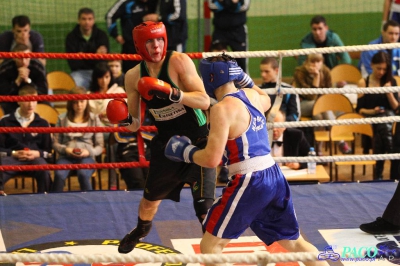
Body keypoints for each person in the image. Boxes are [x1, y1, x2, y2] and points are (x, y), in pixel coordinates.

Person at [163, 54, 328, 266]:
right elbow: (267, 100)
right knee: (294, 243)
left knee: (210, 246)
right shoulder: (252, 95)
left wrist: (185, 151)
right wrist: (245, 78)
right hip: (274, 175)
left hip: (251, 180)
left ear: (209, 79)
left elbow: (211, 159)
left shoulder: (221, 110)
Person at [106, 21, 216, 254]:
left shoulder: (179, 61)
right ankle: (141, 230)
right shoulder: (133, 76)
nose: (156, 46)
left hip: (199, 141)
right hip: (167, 146)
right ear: (139, 45)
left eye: (159, 39)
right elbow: (135, 125)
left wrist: (172, 92)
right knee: (149, 202)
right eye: (150, 41)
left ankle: (212, 254)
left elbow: (204, 101)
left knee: (205, 207)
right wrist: (123, 119)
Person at [293, 53, 351, 155]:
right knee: (323, 107)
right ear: (307, 62)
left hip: (320, 105)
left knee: (319, 116)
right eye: (312, 61)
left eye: (318, 62)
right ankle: (340, 141)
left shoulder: (326, 71)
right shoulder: (300, 72)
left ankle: (317, 150)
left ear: (322, 62)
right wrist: (316, 77)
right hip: (304, 105)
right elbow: (310, 96)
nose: (315, 65)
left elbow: (329, 94)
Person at [0, 84, 52, 195]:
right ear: (18, 101)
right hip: (11, 159)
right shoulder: (4, 121)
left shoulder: (43, 123)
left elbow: (49, 152)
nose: (31, 104)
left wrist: (37, 153)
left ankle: (45, 201)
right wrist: (14, 153)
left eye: (34, 100)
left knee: (44, 170)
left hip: (35, 160)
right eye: (27, 100)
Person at [52, 87, 104, 192]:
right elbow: (55, 143)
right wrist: (65, 150)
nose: (79, 105)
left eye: (82, 101)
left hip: (87, 157)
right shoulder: (62, 118)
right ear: (70, 103)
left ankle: (91, 205)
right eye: (75, 102)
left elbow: (100, 146)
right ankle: (54, 204)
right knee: (59, 174)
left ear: (87, 101)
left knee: (83, 174)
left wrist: (88, 152)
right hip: (66, 156)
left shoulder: (94, 118)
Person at [356, 51, 399, 180]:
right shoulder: (363, 82)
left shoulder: (391, 81)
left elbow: (397, 108)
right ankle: (393, 158)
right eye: (378, 68)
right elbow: (360, 110)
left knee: (382, 129)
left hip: (388, 120)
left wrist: (389, 93)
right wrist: (373, 111)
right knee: (382, 125)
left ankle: (378, 174)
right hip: (371, 118)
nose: (381, 72)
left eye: (384, 69)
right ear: (372, 65)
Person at [105, 0, 158, 72]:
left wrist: (159, 17)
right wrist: (116, 35)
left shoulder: (156, 2)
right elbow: (110, 16)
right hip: (131, 47)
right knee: (131, 75)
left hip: (151, 47)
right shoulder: (126, 2)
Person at [66, 7, 110, 90]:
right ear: (78, 20)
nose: (87, 22)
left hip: (98, 72)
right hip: (79, 73)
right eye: (84, 19)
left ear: (94, 20)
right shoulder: (71, 37)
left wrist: (83, 57)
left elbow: (104, 61)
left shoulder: (102, 36)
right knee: (74, 84)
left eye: (90, 19)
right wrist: (95, 55)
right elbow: (73, 64)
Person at [0, 43, 48, 115]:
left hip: (34, 102)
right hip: (12, 103)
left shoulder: (38, 67)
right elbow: (2, 94)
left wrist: (28, 81)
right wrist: (17, 82)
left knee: (47, 106)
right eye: (20, 58)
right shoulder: (5, 68)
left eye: (26, 57)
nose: (24, 61)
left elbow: (43, 93)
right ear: (13, 57)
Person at [208, 0, 250, 73]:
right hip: (220, 30)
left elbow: (245, 6)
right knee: (216, 61)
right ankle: (216, 83)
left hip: (238, 31)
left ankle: (242, 84)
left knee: (241, 64)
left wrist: (223, 2)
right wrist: (232, 3)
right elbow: (211, 5)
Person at [259, 57, 300, 122]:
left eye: (267, 71)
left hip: (283, 129)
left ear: (276, 71)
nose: (263, 74)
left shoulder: (289, 90)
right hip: (262, 129)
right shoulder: (257, 90)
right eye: (261, 71)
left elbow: (295, 116)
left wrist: (279, 124)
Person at [88, 62, 125, 127]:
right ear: (95, 78)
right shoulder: (89, 95)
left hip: (118, 127)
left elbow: (127, 112)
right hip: (97, 128)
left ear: (111, 77)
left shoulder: (119, 91)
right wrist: (100, 115)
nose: (104, 81)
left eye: (107, 77)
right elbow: (88, 116)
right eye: (100, 77)